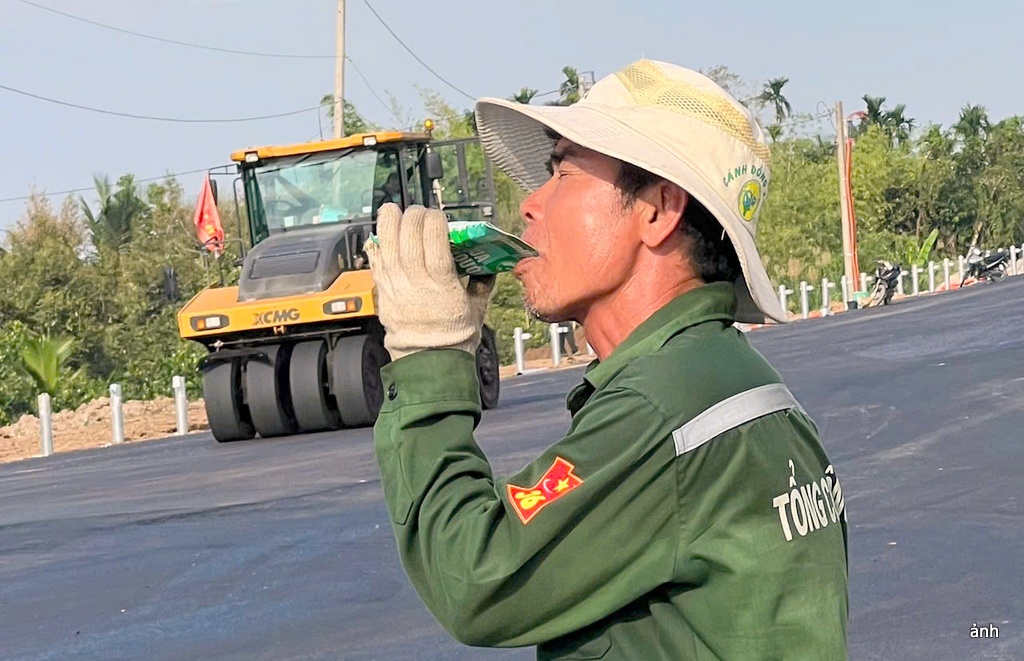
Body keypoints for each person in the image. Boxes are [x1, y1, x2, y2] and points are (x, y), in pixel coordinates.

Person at [364, 60, 848, 660]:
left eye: (562, 172)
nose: (530, 206)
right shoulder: (734, 383)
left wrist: (428, 354)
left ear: (656, 210)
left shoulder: (662, 406)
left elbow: (476, 578)